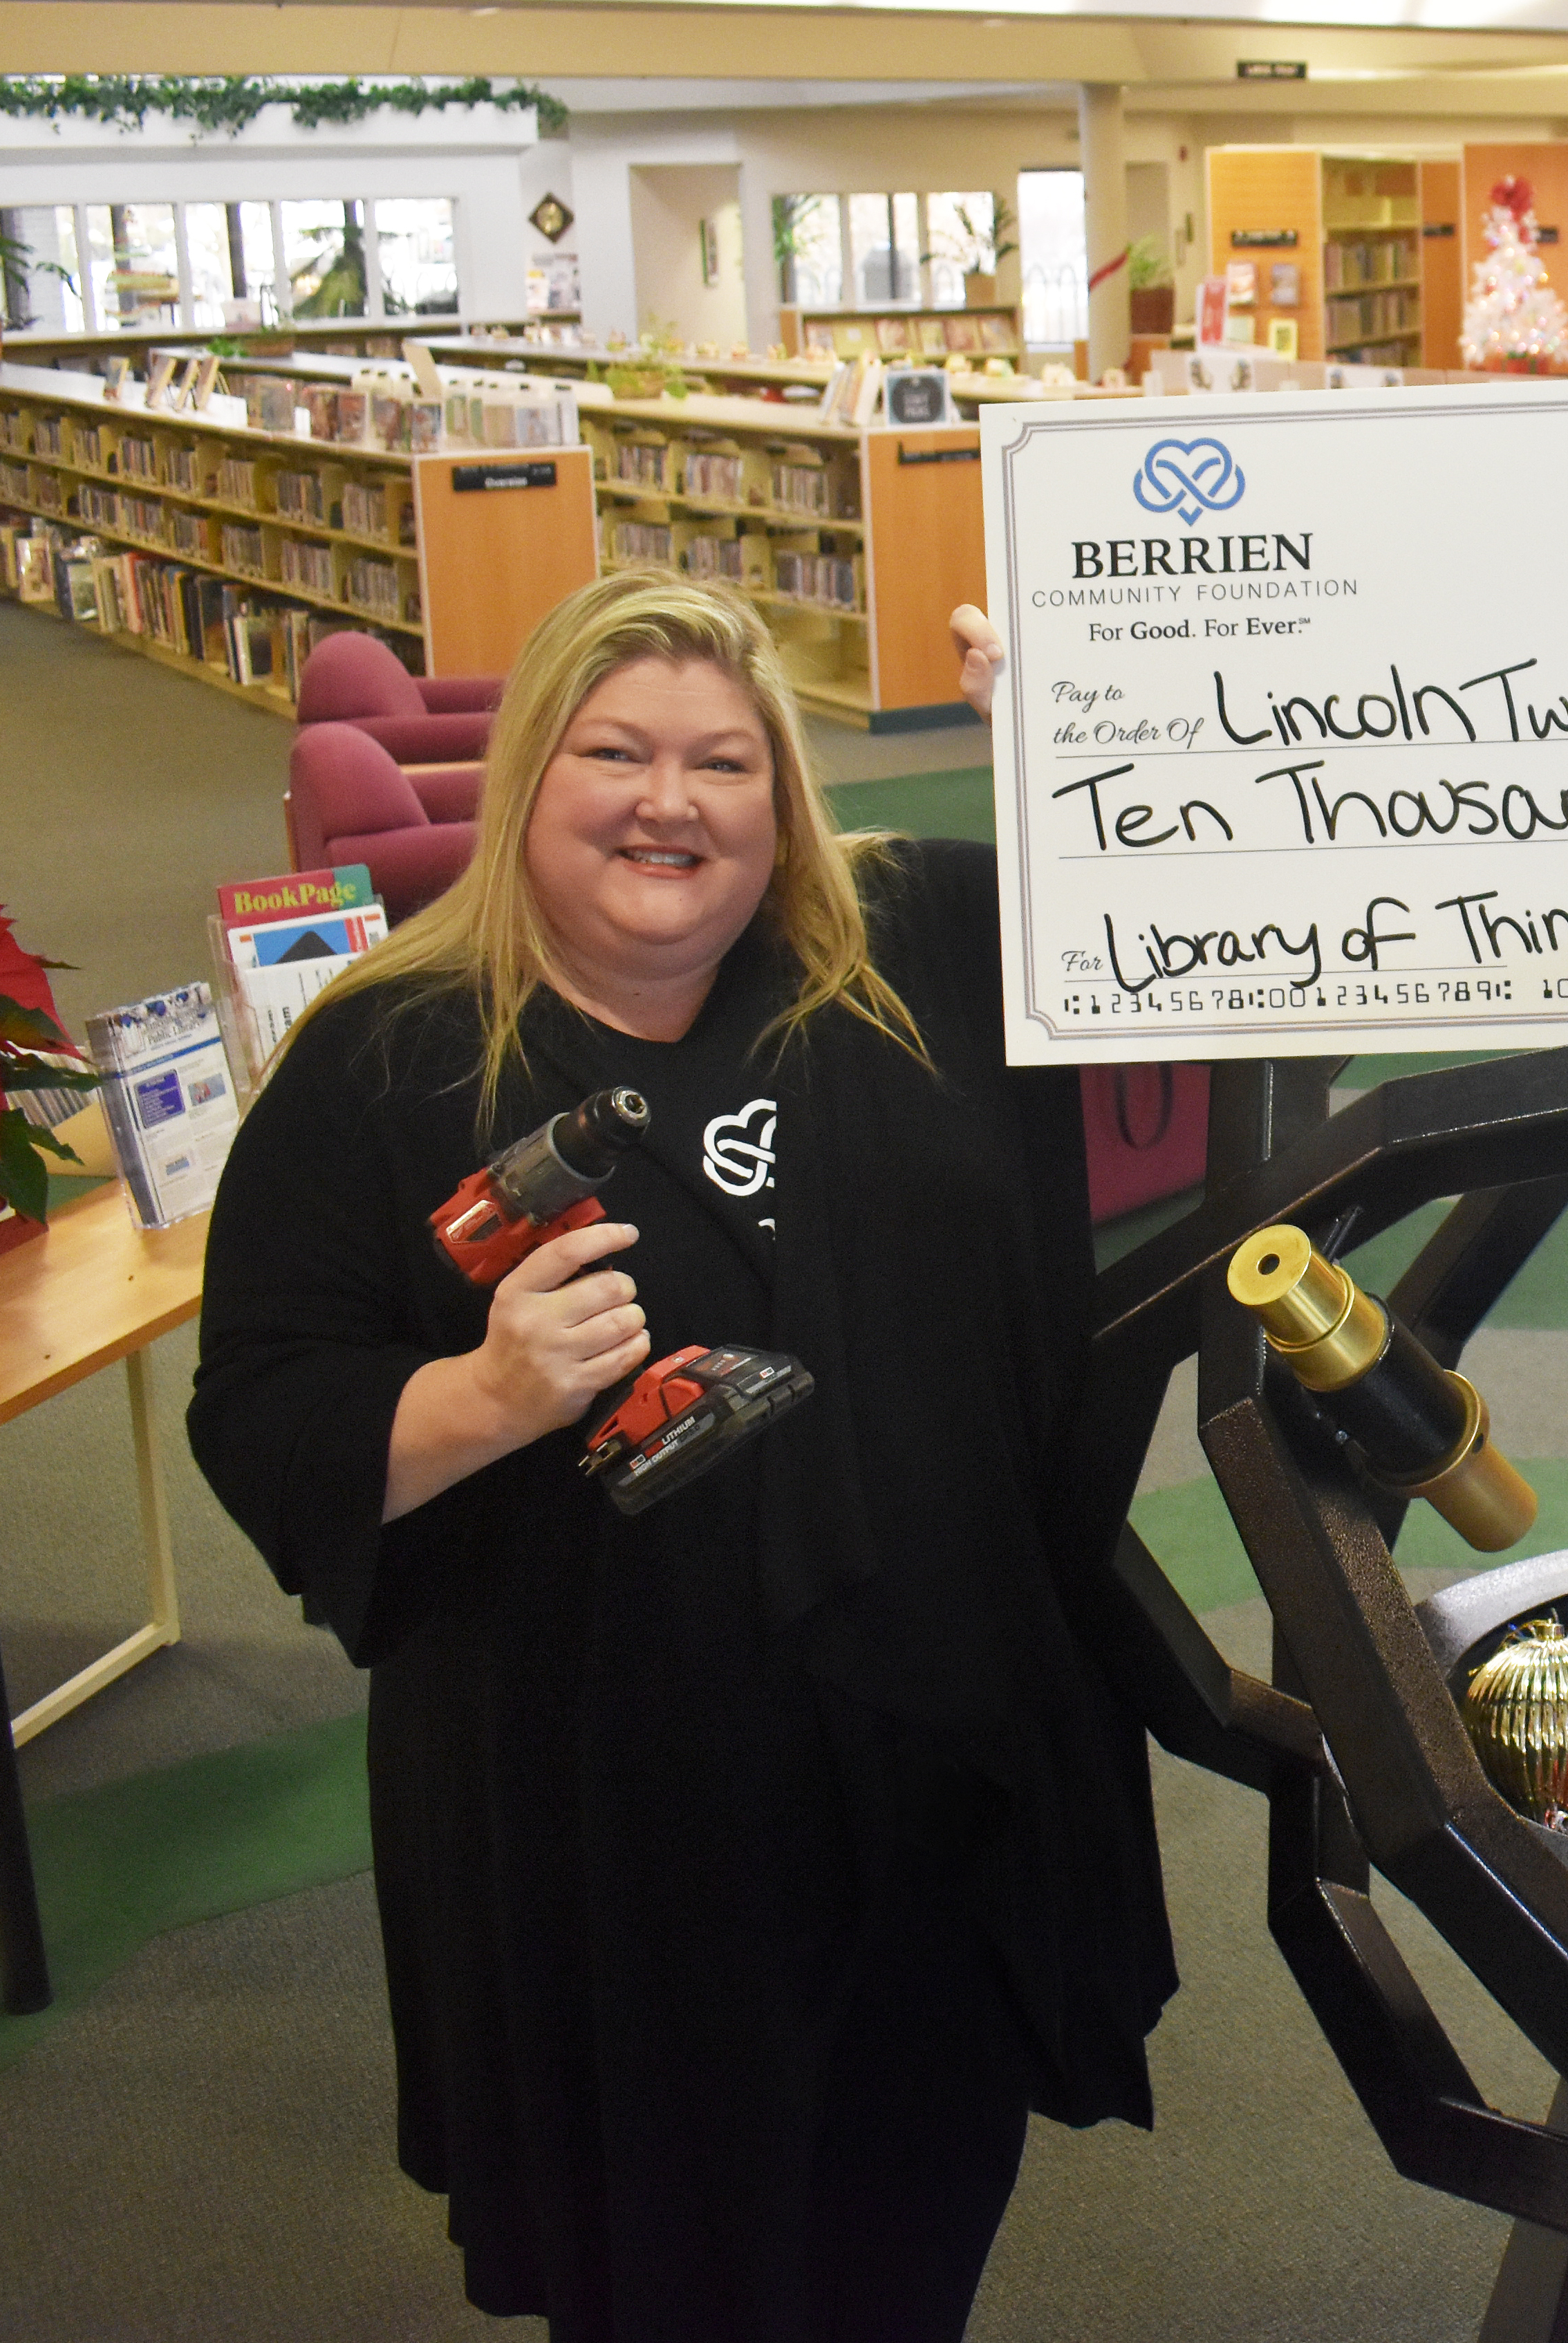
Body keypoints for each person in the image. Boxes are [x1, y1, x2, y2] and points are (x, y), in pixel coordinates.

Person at [190, 573, 1177, 2343]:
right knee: (661, 2268)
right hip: (604, 1826)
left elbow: (1165, 911)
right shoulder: (392, 1057)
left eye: (727, 760)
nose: (673, 800)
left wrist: (1082, 723)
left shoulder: (916, 948)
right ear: (526, 783)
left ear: (783, 798)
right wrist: (483, 1397)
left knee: (908, 2228)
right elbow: (261, 1414)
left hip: (934, 1772)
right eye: (616, 751)